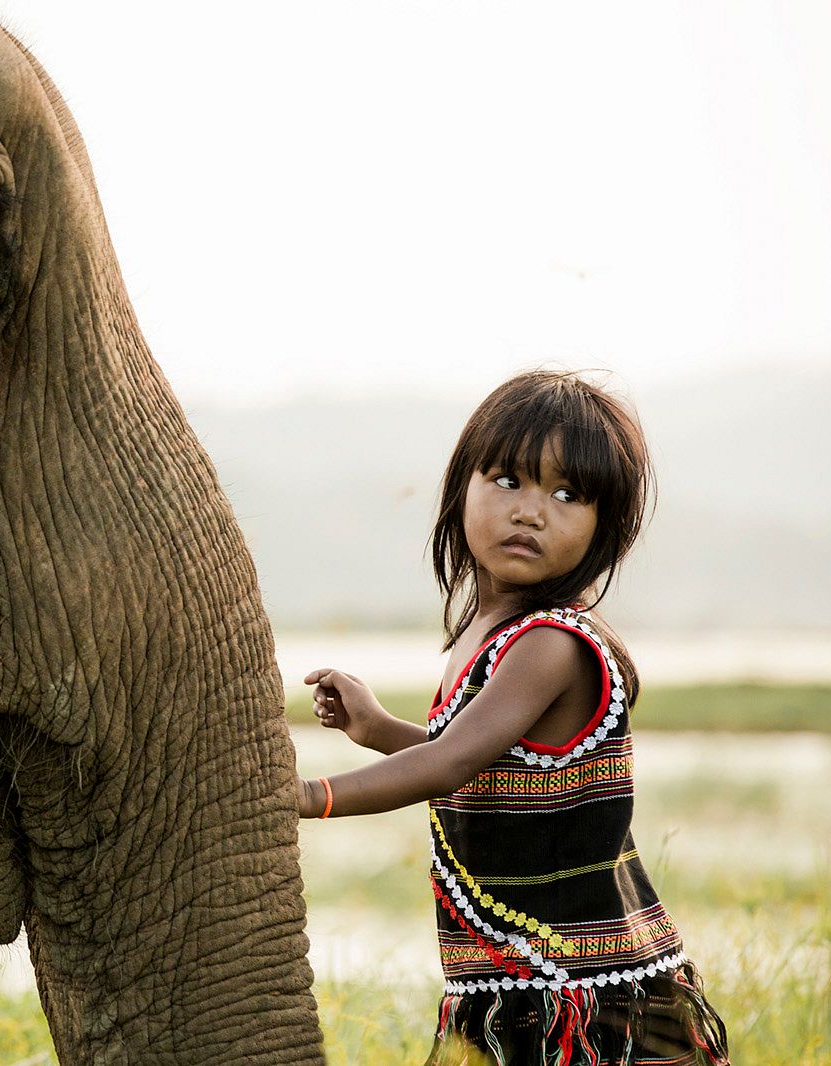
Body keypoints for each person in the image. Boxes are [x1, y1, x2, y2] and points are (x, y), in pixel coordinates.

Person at [296, 370, 729, 1065]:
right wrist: (379, 731)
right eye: (508, 481)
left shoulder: (552, 642)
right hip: (513, 986)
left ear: (604, 529)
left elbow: (453, 761)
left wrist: (307, 797)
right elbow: (490, 773)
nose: (532, 511)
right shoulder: (488, 634)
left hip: (586, 1002)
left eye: (567, 495)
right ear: (460, 487)